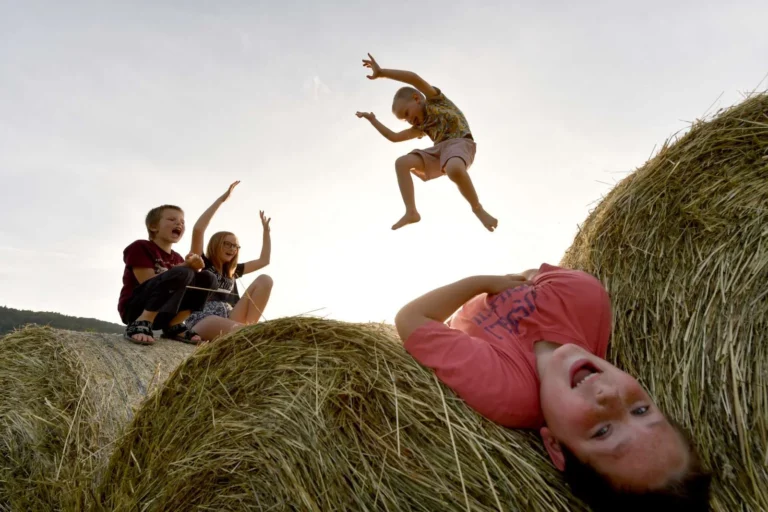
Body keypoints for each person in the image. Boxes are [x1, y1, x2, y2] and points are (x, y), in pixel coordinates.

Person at [395, 264, 711, 510]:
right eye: (641, 410)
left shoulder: (508, 393)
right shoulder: (587, 299)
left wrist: (483, 282)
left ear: (555, 446)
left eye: (602, 431)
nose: (610, 396)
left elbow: (412, 318)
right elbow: (533, 273)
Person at [355, 53, 498, 232]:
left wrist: (382, 72)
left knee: (454, 169)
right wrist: (372, 120)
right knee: (401, 163)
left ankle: (477, 208)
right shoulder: (420, 127)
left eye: (407, 113)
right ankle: (411, 211)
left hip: (459, 143)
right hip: (439, 152)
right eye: (404, 120)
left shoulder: (435, 100)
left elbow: (413, 78)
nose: (408, 120)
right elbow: (394, 137)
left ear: (417, 98)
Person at [184, 181, 274, 341]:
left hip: (230, 317)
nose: (232, 249)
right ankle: (250, 335)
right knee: (242, 332)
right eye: (227, 244)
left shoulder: (233, 270)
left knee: (265, 280)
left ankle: (250, 329)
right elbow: (198, 230)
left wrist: (266, 232)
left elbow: (264, 260)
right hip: (204, 320)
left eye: (235, 246)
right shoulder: (202, 263)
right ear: (216, 244)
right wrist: (221, 200)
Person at [118, 204, 216, 345]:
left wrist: (195, 269)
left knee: (208, 277)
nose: (179, 224)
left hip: (166, 313)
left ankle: (174, 324)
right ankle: (143, 321)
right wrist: (184, 267)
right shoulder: (140, 246)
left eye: (182, 222)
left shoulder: (178, 258)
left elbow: (186, 285)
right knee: (183, 272)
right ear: (153, 227)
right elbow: (146, 281)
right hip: (137, 309)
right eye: (171, 219)